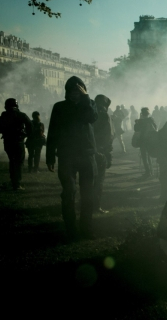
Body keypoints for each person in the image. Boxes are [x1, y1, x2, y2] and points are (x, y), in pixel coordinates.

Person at [46, 76, 98, 240]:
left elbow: (92, 118)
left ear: (83, 91)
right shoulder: (59, 107)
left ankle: (87, 227)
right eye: (72, 90)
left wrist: (86, 98)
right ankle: (71, 229)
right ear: (67, 92)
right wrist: (49, 156)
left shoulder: (89, 105)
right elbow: (52, 130)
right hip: (67, 155)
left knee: (88, 193)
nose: (75, 94)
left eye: (79, 90)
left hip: (87, 154)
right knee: (69, 193)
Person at [0, 98, 32, 190]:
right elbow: (30, 126)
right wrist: (25, 134)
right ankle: (16, 184)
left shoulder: (3, 116)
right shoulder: (21, 115)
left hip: (8, 142)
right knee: (19, 162)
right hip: (18, 142)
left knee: (12, 161)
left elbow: (0, 129)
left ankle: (13, 181)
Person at [94, 95, 114, 214]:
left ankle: (85, 204)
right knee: (98, 181)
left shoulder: (88, 112)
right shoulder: (105, 115)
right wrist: (108, 153)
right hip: (101, 151)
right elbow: (109, 135)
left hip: (88, 150)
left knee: (88, 181)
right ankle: (96, 206)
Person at [134, 107, 157, 178]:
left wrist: (137, 122)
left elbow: (136, 129)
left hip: (143, 140)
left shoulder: (140, 121)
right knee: (149, 156)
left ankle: (148, 172)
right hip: (150, 140)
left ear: (142, 113)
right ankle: (151, 171)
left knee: (144, 157)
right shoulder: (151, 120)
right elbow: (155, 128)